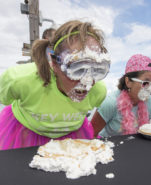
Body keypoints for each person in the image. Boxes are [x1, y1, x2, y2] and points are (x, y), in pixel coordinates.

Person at [0, 20, 111, 150]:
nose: (87, 83)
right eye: (77, 69)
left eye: (97, 70)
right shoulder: (20, 80)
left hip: (72, 136)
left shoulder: (98, 91)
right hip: (26, 134)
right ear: (54, 62)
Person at [91, 54, 151, 137]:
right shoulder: (111, 103)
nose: (150, 88)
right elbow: (91, 134)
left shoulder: (149, 101)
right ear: (128, 82)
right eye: (145, 83)